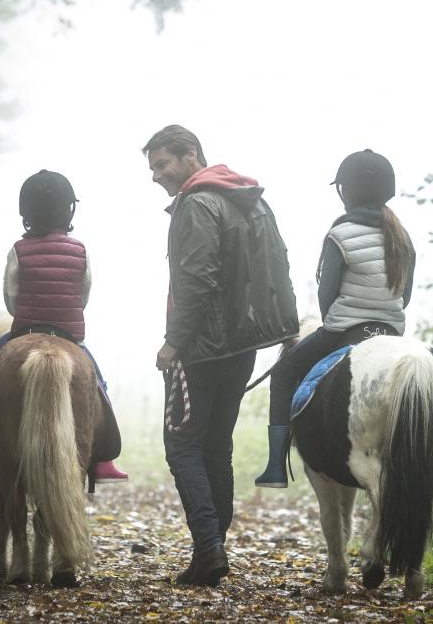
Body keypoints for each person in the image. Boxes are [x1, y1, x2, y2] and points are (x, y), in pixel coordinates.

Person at [145, 124, 299, 587]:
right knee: (217, 445)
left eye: (161, 164)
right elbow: (279, 262)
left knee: (183, 444)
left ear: (190, 155)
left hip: (202, 349)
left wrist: (174, 342)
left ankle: (208, 548)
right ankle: (212, 549)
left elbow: (196, 278)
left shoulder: (197, 203)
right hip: (243, 346)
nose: (155, 176)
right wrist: (286, 327)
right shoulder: (250, 197)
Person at [0, 169, 129, 485]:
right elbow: (83, 295)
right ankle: (104, 458)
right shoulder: (80, 250)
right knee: (98, 382)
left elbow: (10, 296)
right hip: (70, 334)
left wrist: (25, 316)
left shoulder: (18, 249)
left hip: (25, 330)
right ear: (69, 209)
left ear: (25, 212)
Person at [254, 148, 414, 488]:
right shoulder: (402, 238)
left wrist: (341, 320)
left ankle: (275, 467)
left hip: (344, 331)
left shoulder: (340, 234)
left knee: (283, 374)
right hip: (391, 332)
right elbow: (406, 295)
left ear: (347, 191)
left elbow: (326, 297)